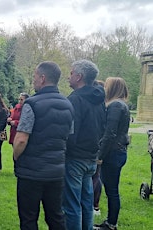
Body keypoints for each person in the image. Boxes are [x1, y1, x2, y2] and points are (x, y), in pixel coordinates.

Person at [13, 61, 74, 230]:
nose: (33, 80)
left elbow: (21, 139)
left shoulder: (32, 104)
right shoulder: (68, 105)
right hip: (56, 171)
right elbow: (67, 136)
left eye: (34, 76)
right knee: (55, 216)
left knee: (29, 218)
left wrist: (16, 157)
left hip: (31, 172)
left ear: (42, 78)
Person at [62, 60, 106, 230]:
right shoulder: (99, 98)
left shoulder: (75, 99)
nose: (68, 76)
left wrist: (66, 149)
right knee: (86, 202)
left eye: (71, 73)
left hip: (75, 157)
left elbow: (70, 131)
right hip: (91, 157)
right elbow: (103, 126)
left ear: (79, 76)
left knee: (71, 204)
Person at [94, 77, 130, 230]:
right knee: (111, 189)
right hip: (118, 151)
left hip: (113, 153)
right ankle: (110, 222)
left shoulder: (115, 105)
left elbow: (110, 133)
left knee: (112, 190)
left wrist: (100, 156)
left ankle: (111, 224)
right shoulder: (123, 105)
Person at [93, 79, 106, 217]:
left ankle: (94, 205)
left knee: (95, 177)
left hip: (95, 146)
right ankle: (95, 205)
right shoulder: (104, 106)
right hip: (98, 145)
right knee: (96, 176)